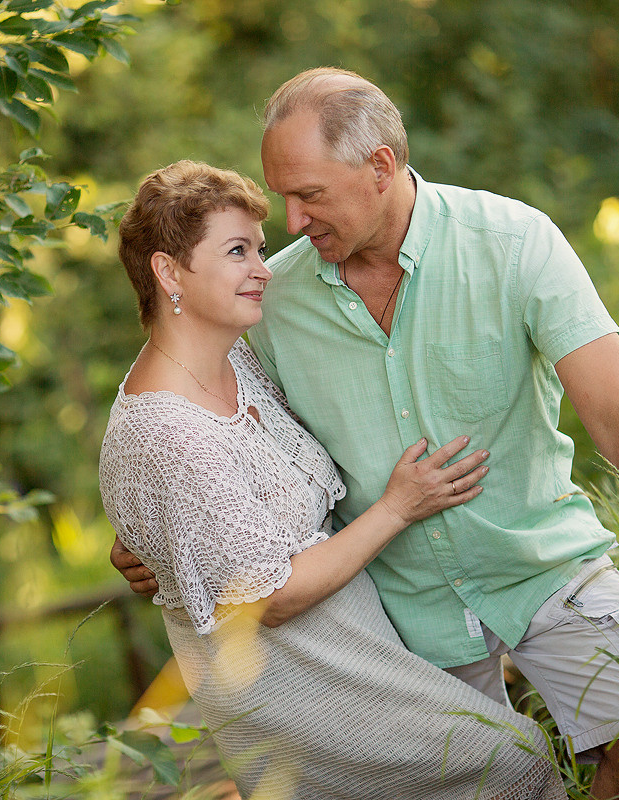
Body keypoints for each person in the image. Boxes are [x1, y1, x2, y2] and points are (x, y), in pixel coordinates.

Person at [112, 69, 619, 798]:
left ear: (379, 167)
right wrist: (154, 530)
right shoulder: (273, 299)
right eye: (282, 196)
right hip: (399, 614)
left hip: (544, 569)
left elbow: (618, 415)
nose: (291, 222)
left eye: (309, 194)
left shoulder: (512, 243)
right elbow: (220, 431)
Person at [99, 159, 567, 799]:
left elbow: (211, 520)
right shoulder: (165, 431)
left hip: (357, 643)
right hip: (293, 680)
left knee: (511, 757)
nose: (264, 270)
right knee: (510, 762)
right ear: (167, 270)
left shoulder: (236, 356)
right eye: (237, 252)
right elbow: (267, 597)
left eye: (259, 250)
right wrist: (399, 507)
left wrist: (158, 546)